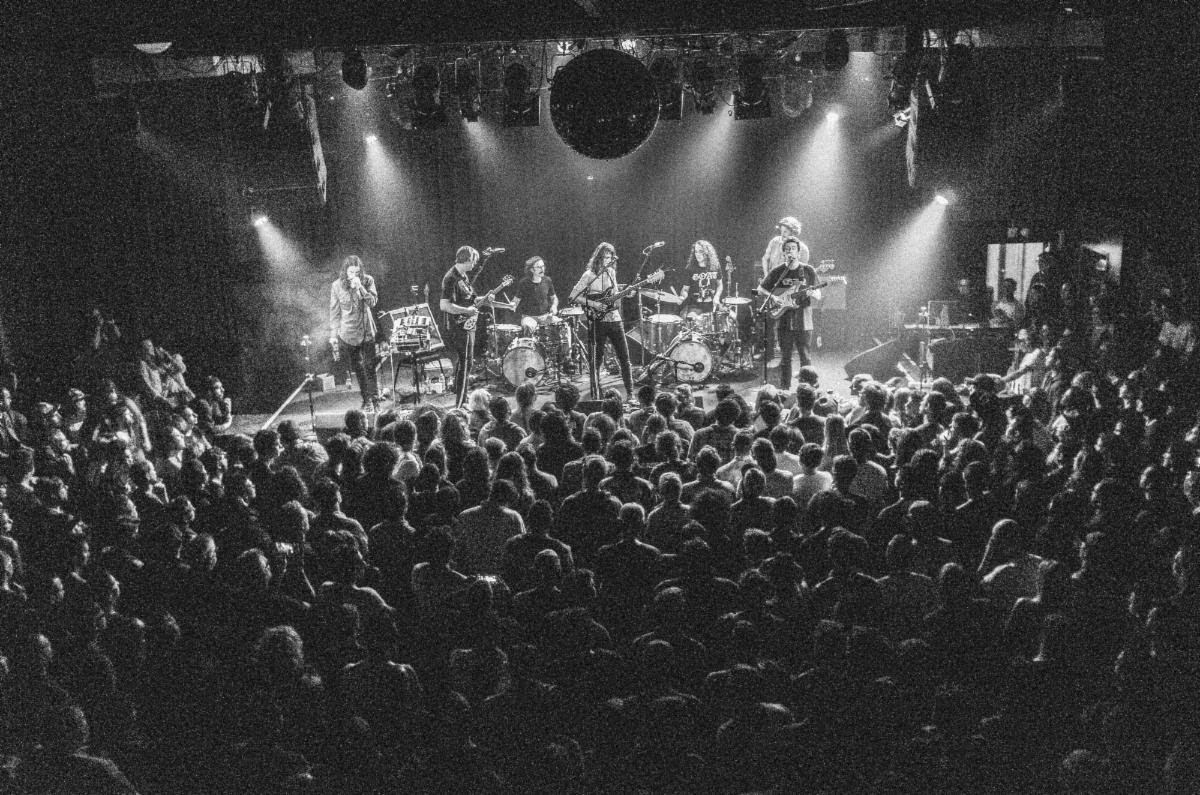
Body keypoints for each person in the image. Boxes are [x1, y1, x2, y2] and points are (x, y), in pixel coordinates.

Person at [569, 242, 634, 400]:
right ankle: (596, 394)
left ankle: (631, 394)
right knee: (596, 360)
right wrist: (594, 304)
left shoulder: (612, 272)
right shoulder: (589, 275)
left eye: (610, 257)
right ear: (598, 258)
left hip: (614, 319)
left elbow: (614, 295)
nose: (608, 260)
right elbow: (573, 296)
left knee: (625, 358)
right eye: (605, 257)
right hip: (598, 321)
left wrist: (626, 294)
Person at [757, 237, 820, 391]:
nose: (790, 251)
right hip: (784, 319)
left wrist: (812, 293)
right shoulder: (778, 271)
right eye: (787, 249)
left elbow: (818, 293)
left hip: (803, 319)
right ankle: (785, 389)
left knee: (805, 356)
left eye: (793, 248)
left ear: (798, 252)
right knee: (785, 357)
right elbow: (761, 288)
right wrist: (774, 297)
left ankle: (808, 389)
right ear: (783, 252)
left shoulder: (807, 270)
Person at [329, 254, 381, 412]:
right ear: (345, 271)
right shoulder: (336, 286)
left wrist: (361, 287)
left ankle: (375, 399)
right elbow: (334, 311)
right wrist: (333, 335)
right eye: (351, 272)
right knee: (358, 367)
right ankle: (367, 400)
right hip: (348, 333)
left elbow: (372, 302)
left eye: (357, 272)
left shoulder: (368, 280)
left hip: (366, 330)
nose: (354, 275)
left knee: (370, 366)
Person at [440, 245, 483, 407]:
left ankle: (463, 397)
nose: (475, 264)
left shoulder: (463, 276)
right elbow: (444, 305)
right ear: (467, 259)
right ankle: (459, 404)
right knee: (464, 363)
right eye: (474, 261)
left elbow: (469, 299)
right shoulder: (450, 278)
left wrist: (483, 299)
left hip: (467, 325)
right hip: (458, 326)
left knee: (468, 363)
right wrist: (466, 311)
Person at [512, 256, 559, 326]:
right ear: (532, 270)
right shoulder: (524, 283)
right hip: (529, 317)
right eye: (539, 267)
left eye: (543, 266)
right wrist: (512, 305)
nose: (542, 269)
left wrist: (554, 306)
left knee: (559, 323)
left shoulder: (547, 280)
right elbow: (516, 300)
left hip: (545, 316)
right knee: (528, 326)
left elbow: (554, 298)